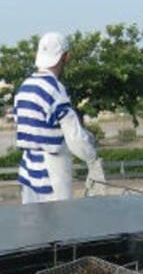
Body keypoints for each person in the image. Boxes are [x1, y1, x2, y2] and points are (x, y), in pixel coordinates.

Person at [13, 32, 105, 204]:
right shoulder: (55, 89)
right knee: (57, 226)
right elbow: (74, 138)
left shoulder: (24, 88)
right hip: (52, 169)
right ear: (65, 57)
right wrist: (92, 159)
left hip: (28, 168)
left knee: (32, 224)